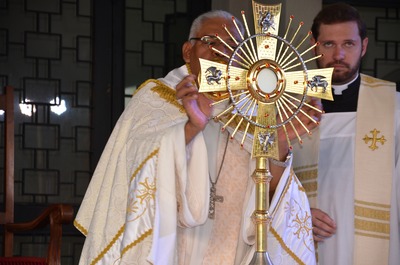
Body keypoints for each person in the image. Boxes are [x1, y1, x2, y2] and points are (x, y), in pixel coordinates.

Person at [74, 10, 320, 265]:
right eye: (210, 41)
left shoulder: (254, 113)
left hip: (232, 247)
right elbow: (139, 169)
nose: (220, 52)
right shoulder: (155, 98)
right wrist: (192, 128)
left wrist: (280, 143)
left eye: (233, 46)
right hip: (174, 246)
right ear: (187, 51)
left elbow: (271, 193)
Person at [294, 3, 400, 265]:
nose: (338, 54)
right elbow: (263, 177)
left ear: (363, 46)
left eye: (348, 44)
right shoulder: (290, 105)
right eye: (328, 44)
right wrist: (294, 212)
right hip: (303, 237)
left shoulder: (393, 105)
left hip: (375, 246)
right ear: (313, 44)